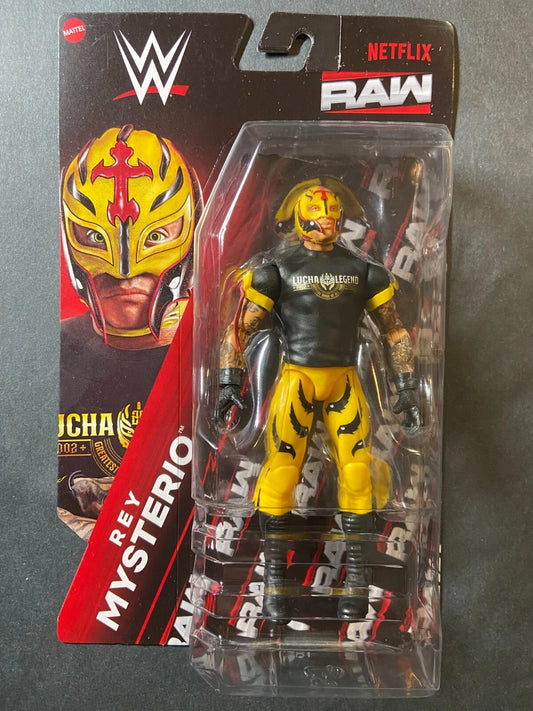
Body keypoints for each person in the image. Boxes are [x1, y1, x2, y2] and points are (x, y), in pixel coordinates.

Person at [217, 178, 420, 622]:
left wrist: (405, 385)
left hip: (342, 380)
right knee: (280, 475)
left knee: (357, 473)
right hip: (298, 380)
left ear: (341, 219)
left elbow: (393, 329)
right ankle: (274, 587)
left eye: (331, 213)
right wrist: (229, 381)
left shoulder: (364, 271)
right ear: (298, 219)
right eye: (316, 211)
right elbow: (241, 328)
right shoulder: (276, 270)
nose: (325, 218)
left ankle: (357, 584)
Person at [58, 125, 201, 539]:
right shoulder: (47, 357)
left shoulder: (221, 356)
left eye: (156, 236)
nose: (124, 271)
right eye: (94, 236)